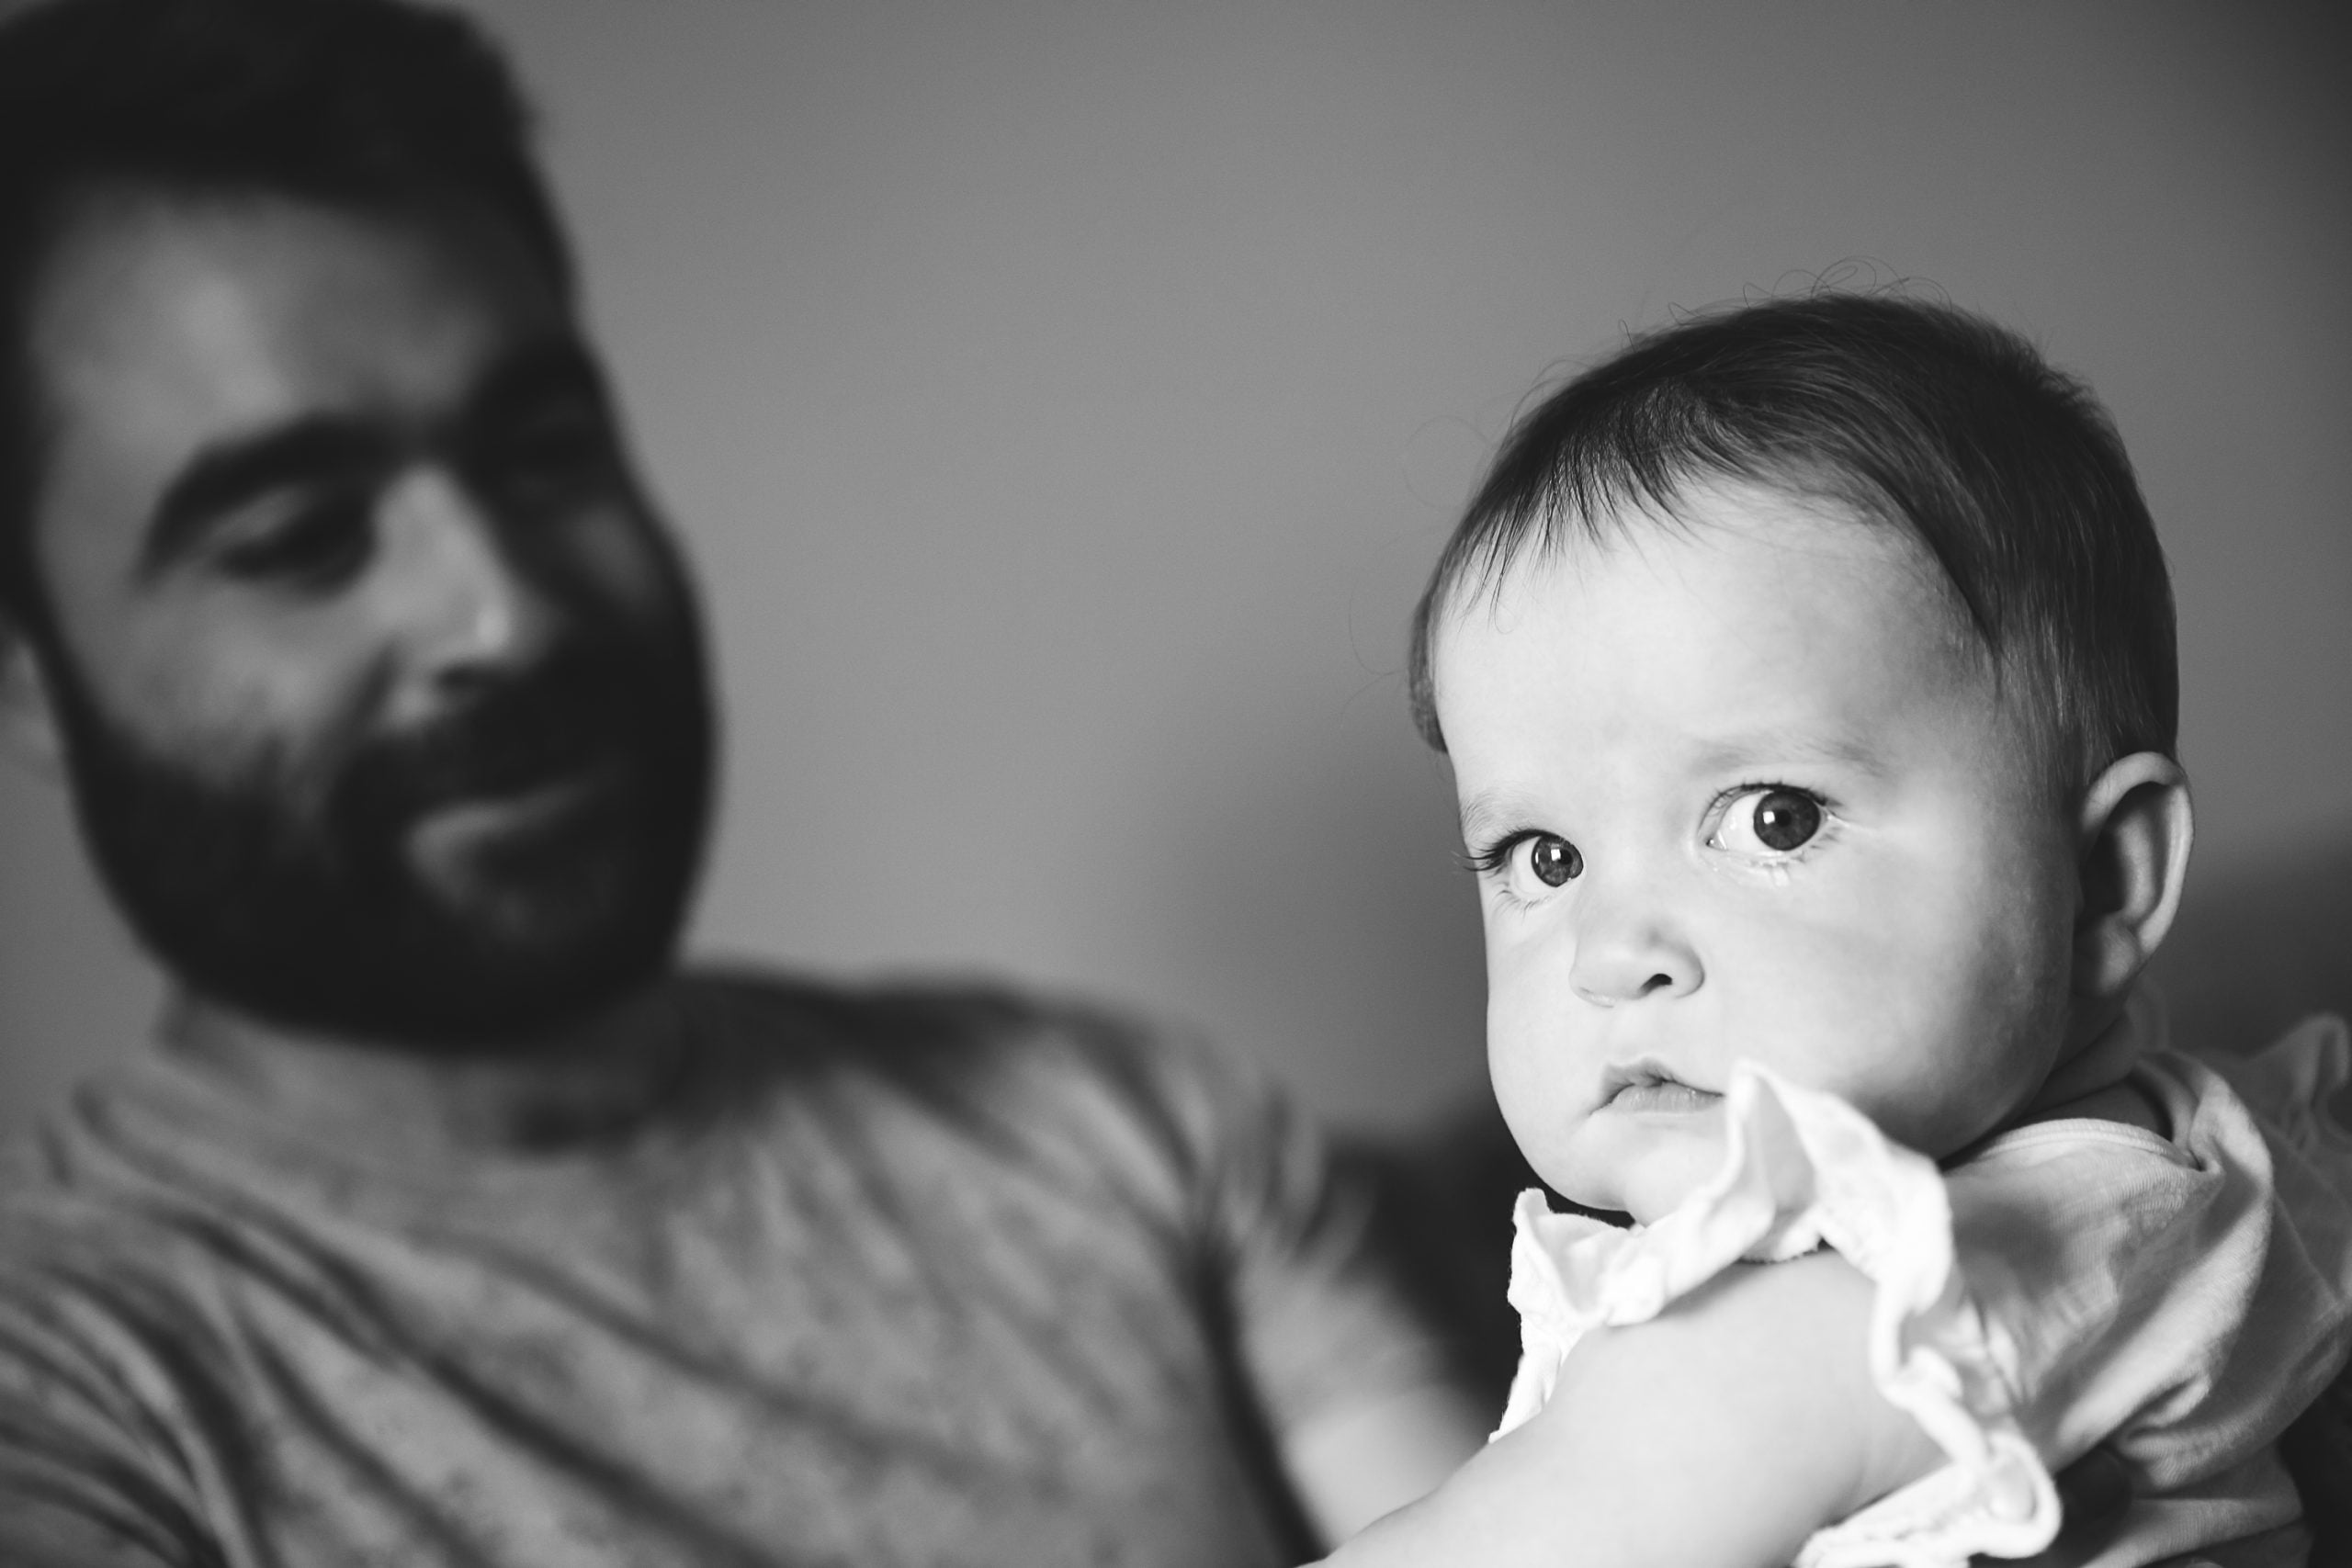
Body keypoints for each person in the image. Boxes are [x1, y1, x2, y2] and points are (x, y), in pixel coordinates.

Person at [0, 0, 1491, 1562]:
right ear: (28, 668)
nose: (502, 612)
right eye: (301, 536)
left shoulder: (1130, 1134)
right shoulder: (72, 1393)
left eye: (544, 452)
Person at [1321, 295, 2352, 1567]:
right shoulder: (2176, 1169)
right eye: (1547, 858)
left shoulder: (1875, 1310)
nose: (1611, 954)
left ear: (2101, 881)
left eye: (1773, 819)